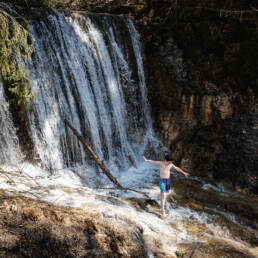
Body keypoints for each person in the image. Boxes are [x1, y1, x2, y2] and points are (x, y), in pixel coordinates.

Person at [143, 154, 189, 218]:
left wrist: (184, 173)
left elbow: (177, 168)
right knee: (164, 195)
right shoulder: (161, 163)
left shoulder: (170, 164)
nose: (170, 163)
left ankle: (162, 199)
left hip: (168, 181)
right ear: (165, 160)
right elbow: (153, 161)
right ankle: (163, 212)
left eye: (171, 162)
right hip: (162, 181)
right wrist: (146, 160)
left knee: (167, 192)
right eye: (169, 162)